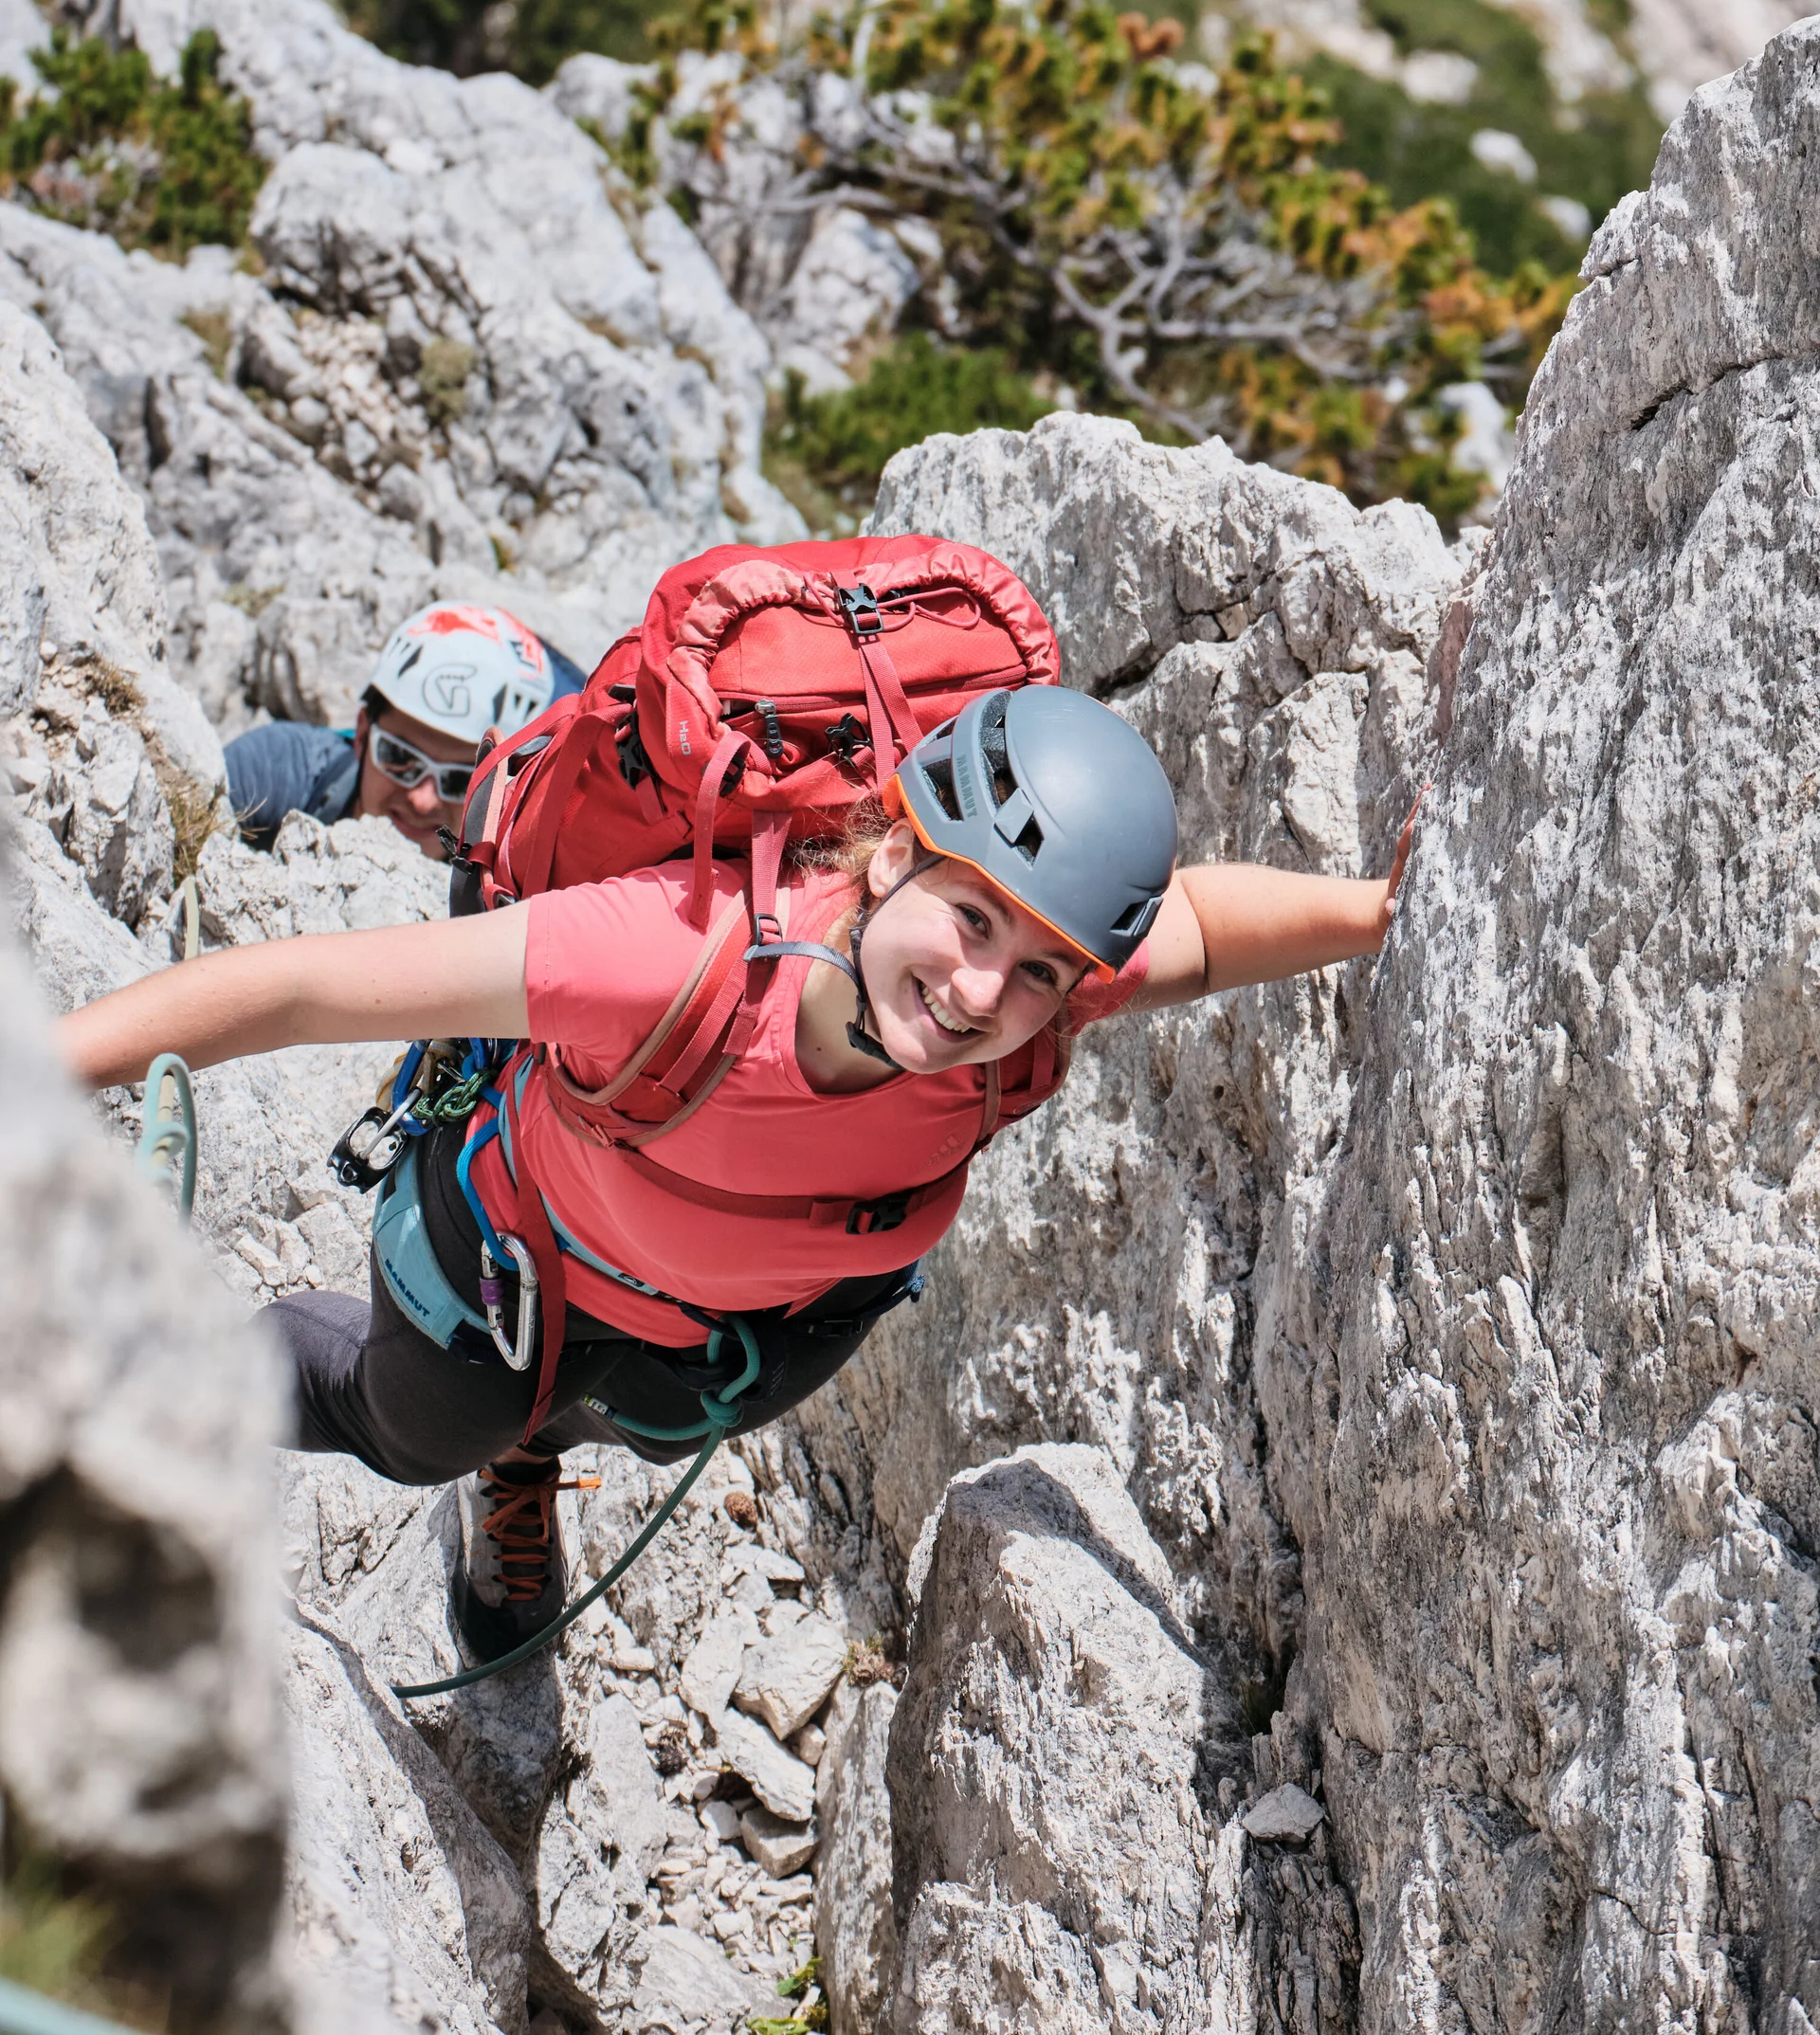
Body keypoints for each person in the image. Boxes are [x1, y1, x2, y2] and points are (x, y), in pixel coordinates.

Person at [59, 681, 1413, 1664]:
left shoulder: (1026, 1009)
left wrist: (1379, 911)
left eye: (1043, 964)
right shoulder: (666, 957)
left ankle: (529, 1465)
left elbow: (1200, 930)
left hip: (731, 1343)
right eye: (970, 915)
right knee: (404, 1430)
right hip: (511, 1276)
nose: (980, 987)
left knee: (626, 1422)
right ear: (891, 852)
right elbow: (296, 989)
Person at [225, 603, 586, 862]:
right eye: (399, 757)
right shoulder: (279, 766)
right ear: (363, 734)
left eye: (462, 780)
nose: (423, 800)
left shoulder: (524, 893)